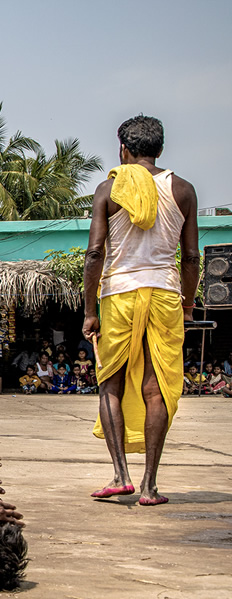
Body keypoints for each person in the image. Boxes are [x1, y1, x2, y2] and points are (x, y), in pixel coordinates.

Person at [82, 115, 199, 506]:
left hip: (119, 294)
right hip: (165, 294)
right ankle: (149, 486)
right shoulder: (182, 190)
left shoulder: (108, 189)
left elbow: (95, 253)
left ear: (124, 150)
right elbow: (192, 257)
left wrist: (89, 310)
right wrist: (188, 302)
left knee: (109, 383)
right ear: (160, 150)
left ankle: (120, 476)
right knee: (157, 386)